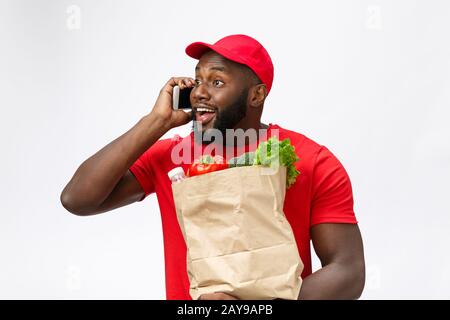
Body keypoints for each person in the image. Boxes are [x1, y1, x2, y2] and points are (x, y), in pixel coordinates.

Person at [60, 34, 365, 300]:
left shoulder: (311, 159)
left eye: (216, 82)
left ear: (257, 94)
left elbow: (348, 270)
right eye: (198, 80)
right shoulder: (169, 155)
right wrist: (156, 123)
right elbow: (78, 199)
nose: (199, 93)